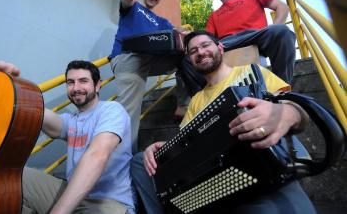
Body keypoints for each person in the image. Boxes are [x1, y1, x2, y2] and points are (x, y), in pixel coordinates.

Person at [130, 30, 316, 214]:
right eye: (193, 51)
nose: (200, 52)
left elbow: (291, 106)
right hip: (212, 178)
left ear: (220, 47)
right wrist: (159, 148)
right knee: (139, 161)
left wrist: (289, 112)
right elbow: (185, 143)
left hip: (260, 167)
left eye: (205, 45)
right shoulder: (196, 100)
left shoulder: (252, 72)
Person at [0, 60, 135, 214]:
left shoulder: (112, 110)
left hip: (109, 204)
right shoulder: (71, 120)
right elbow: (36, 110)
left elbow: (97, 156)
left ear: (98, 84)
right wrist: (12, 84)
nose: (76, 88)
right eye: (70, 82)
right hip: (72, 194)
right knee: (10, 177)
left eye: (83, 81)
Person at [109, 0, 190, 153]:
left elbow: (177, 34)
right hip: (129, 57)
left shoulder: (161, 22)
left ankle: (183, 105)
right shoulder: (134, 7)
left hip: (149, 60)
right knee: (130, 115)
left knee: (188, 55)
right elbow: (125, 2)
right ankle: (121, 163)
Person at [203, 0, 296, 84]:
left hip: (256, 35)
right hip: (229, 43)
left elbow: (282, 7)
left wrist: (275, 28)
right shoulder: (214, 16)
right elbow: (206, 40)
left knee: (282, 31)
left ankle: (282, 88)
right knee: (191, 57)